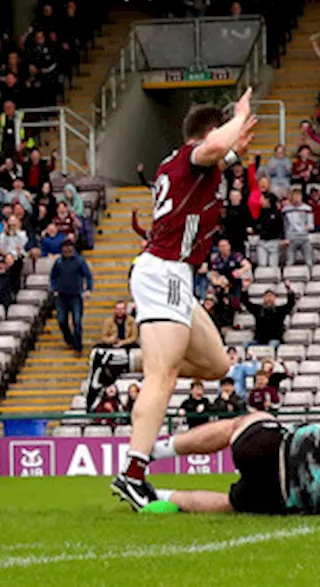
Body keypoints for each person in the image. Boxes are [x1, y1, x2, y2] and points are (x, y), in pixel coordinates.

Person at [113, 90, 258, 509]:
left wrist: (233, 154)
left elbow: (214, 160)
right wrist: (241, 115)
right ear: (210, 134)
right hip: (165, 270)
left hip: (173, 274)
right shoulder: (194, 155)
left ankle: (121, 361)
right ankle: (134, 474)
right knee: (164, 376)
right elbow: (211, 149)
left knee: (216, 365)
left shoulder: (189, 166)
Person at [135, 411, 320, 515]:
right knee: (229, 504)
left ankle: (152, 452)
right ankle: (158, 496)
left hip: (277, 448)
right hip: (282, 495)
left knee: (244, 423)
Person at [50, 239, 93, 355]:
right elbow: (53, 276)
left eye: (69, 248)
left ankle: (78, 347)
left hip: (76, 296)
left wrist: (88, 289)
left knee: (77, 321)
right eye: (65, 248)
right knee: (61, 320)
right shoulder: (58, 262)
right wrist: (54, 289)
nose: (67, 251)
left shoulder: (79, 261)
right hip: (61, 296)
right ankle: (69, 340)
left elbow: (88, 276)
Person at [242, 281, 296, 347]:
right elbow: (246, 302)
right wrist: (245, 288)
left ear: (274, 298)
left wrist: (288, 289)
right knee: (246, 345)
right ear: (264, 298)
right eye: (267, 296)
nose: (269, 298)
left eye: (271, 296)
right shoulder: (258, 309)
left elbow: (291, 303)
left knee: (271, 345)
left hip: (275, 340)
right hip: (259, 340)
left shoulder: (280, 310)